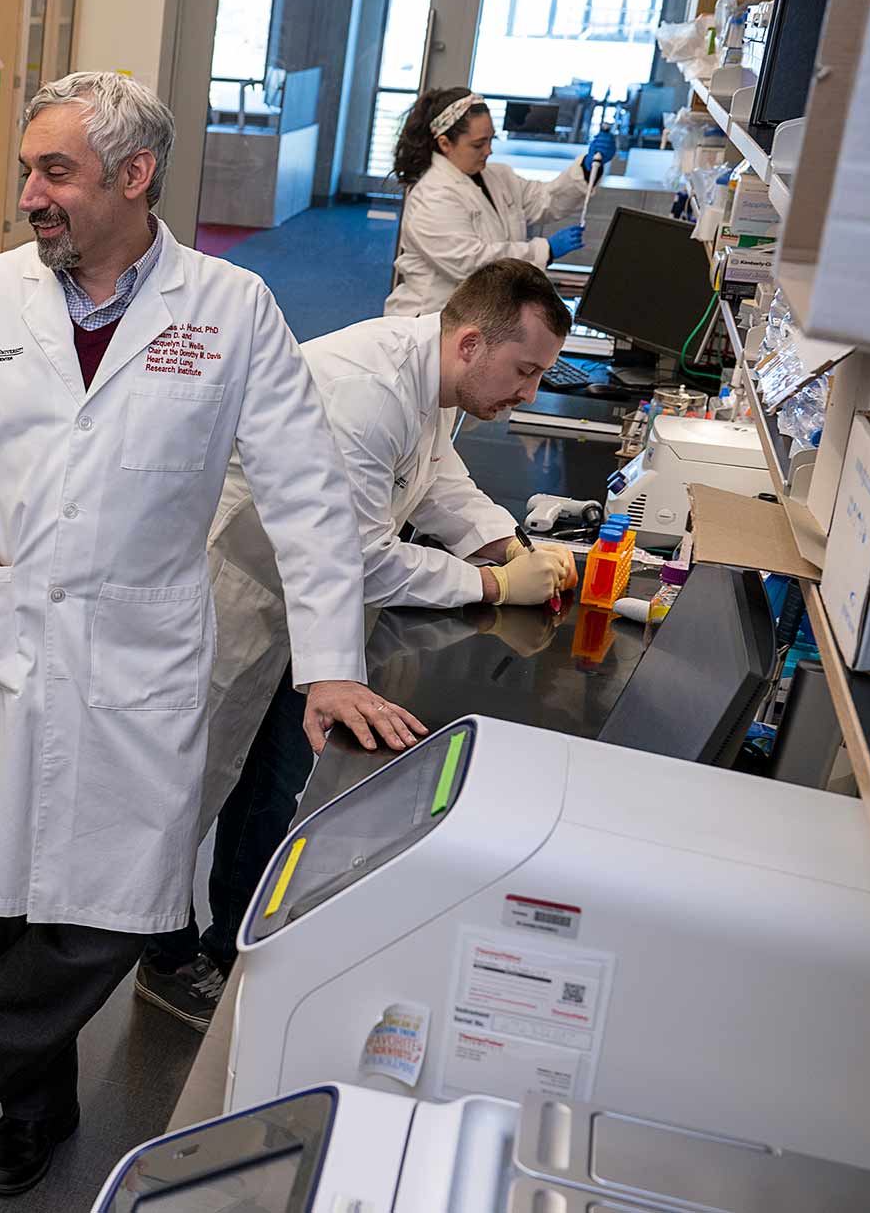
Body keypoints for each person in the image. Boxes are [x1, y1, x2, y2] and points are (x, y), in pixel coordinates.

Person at [0, 71, 424, 1198]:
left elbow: (309, 495)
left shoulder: (230, 311)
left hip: (142, 650)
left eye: (57, 172)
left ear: (134, 178)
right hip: (4, 633)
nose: (30, 192)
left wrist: (328, 664)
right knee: (6, 889)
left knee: (123, 909)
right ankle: (35, 1105)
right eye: (27, 167)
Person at [135, 258, 582, 1030]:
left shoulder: (437, 380)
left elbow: (436, 477)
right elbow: (362, 553)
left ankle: (233, 940)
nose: (529, 395)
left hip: (306, 606)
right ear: (473, 342)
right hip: (236, 592)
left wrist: (506, 544)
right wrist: (494, 588)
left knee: (272, 784)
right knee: (189, 785)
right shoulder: (363, 391)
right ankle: (162, 959)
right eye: (525, 371)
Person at [381, 86, 616, 320]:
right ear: (445, 144)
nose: (489, 150)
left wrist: (586, 167)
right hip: (431, 320)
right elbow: (471, 263)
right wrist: (545, 250)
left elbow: (545, 200)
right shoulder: (431, 196)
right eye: (478, 144)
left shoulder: (498, 176)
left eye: (491, 140)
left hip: (480, 315)